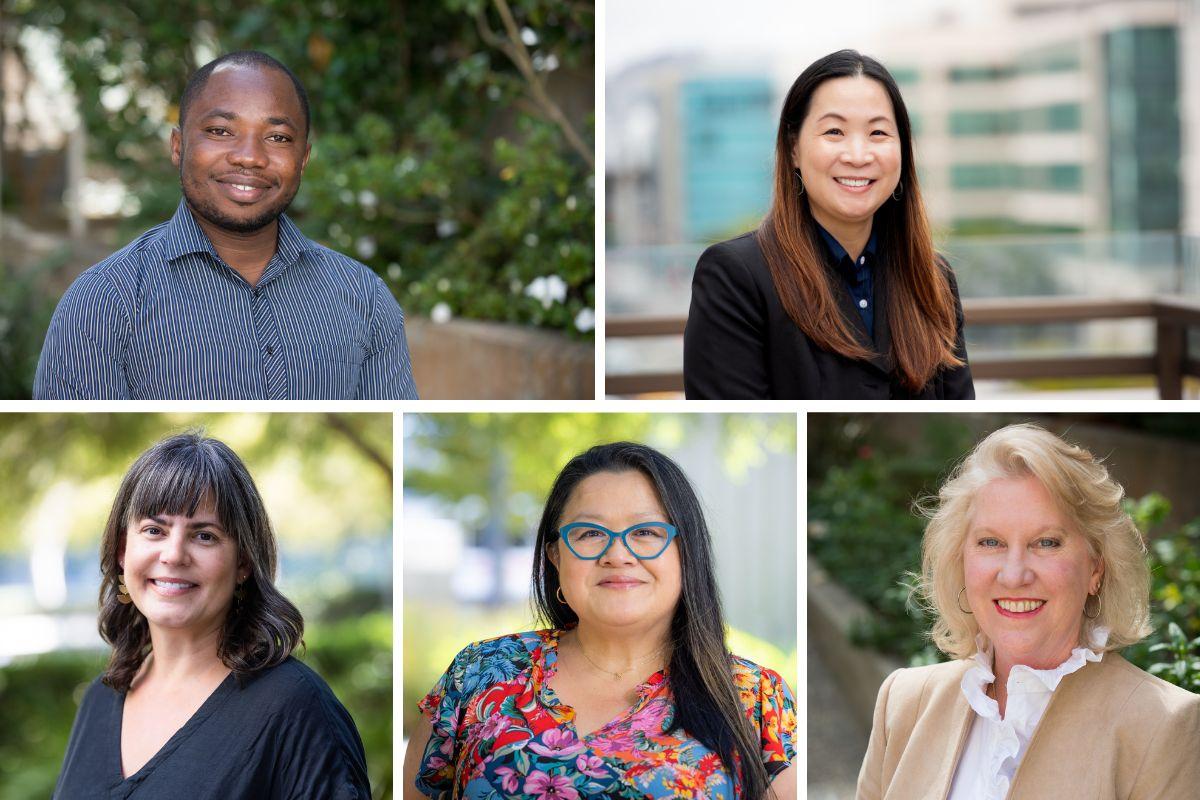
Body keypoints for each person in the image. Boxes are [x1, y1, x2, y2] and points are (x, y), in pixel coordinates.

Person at [401, 442, 796, 799]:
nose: (617, 554)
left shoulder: (756, 699)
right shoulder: (479, 674)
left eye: (645, 531)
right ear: (556, 556)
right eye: (590, 533)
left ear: (686, 552)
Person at [34, 51, 418, 400]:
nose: (250, 157)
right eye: (220, 131)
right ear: (178, 146)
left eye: (278, 137)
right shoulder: (103, 303)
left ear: (303, 159)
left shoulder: (364, 298)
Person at [857, 424, 1200, 799]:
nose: (1014, 574)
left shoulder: (1164, 725)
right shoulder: (904, 700)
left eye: (1046, 543)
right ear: (961, 559)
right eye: (991, 542)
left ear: (1095, 569)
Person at [54, 433, 371, 799]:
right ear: (123, 550)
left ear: (244, 563)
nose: (174, 555)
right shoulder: (100, 699)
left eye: (204, 536)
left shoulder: (295, 709)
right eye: (154, 530)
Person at [683, 49, 973, 399]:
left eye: (878, 133)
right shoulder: (736, 277)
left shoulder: (933, 278)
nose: (858, 155)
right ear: (793, 149)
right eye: (834, 131)